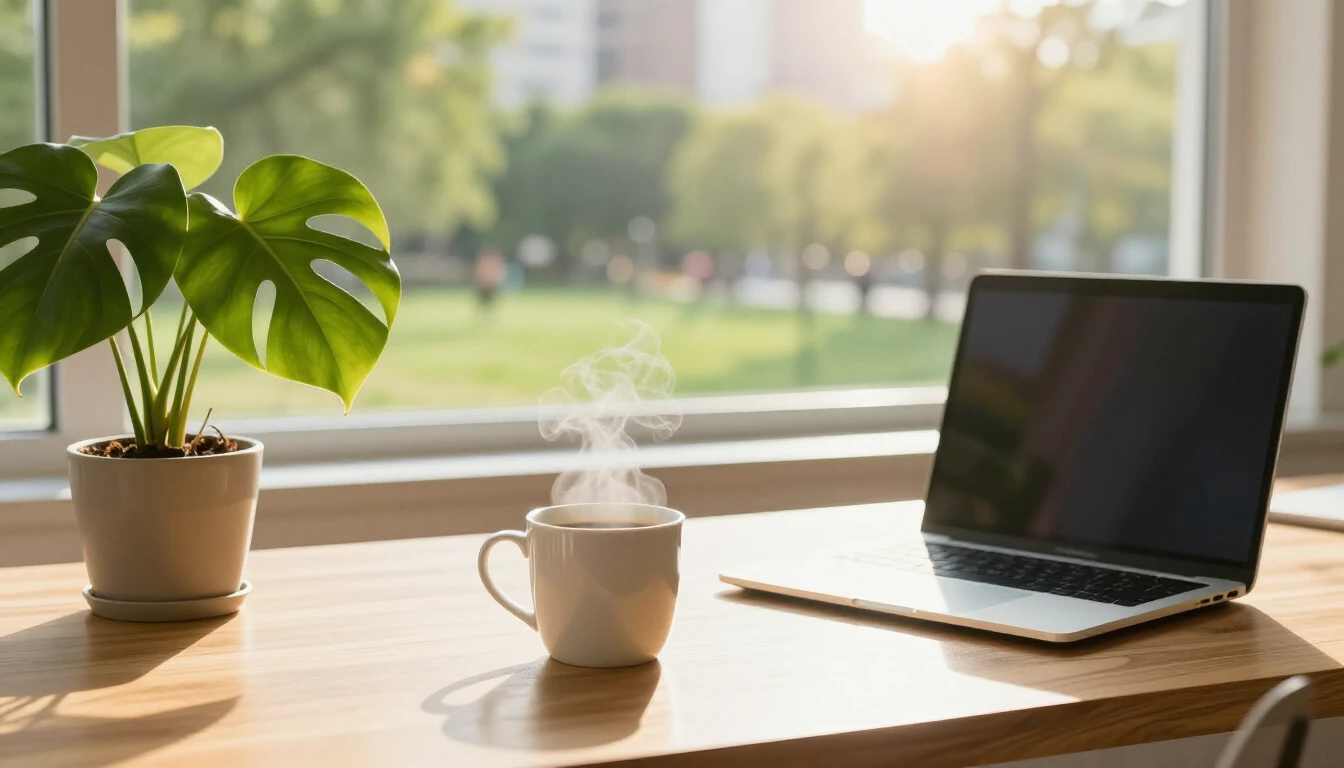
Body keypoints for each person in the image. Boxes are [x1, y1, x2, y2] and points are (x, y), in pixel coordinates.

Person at [474, 248, 505, 317]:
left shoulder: (491, 262)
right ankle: (484, 313)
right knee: (483, 300)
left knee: (490, 300)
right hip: (484, 284)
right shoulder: (484, 262)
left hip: (489, 284)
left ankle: (487, 313)